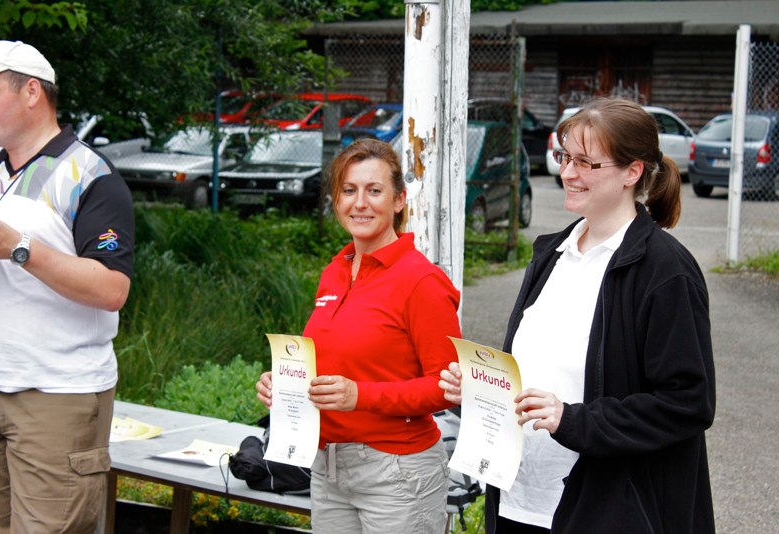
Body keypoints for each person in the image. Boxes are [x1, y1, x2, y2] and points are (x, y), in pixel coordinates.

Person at [440, 97, 715, 533]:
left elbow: (688, 403)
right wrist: (479, 390)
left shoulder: (665, 271)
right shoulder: (552, 254)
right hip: (520, 501)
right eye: (565, 157)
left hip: (608, 511)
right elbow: (543, 371)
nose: (567, 173)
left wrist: (573, 421)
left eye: (585, 162)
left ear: (632, 172)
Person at [256, 138, 461, 534]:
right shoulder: (334, 271)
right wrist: (284, 384)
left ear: (399, 200)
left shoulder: (421, 281)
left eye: (374, 191)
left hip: (397, 473)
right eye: (349, 190)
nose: (360, 203)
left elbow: (447, 388)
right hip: (328, 467)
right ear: (336, 201)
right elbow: (333, 363)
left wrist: (360, 396)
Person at [0, 40, 134, 533]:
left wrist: (19, 247)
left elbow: (112, 288)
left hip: (55, 395)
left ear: (32, 93)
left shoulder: (91, 175)